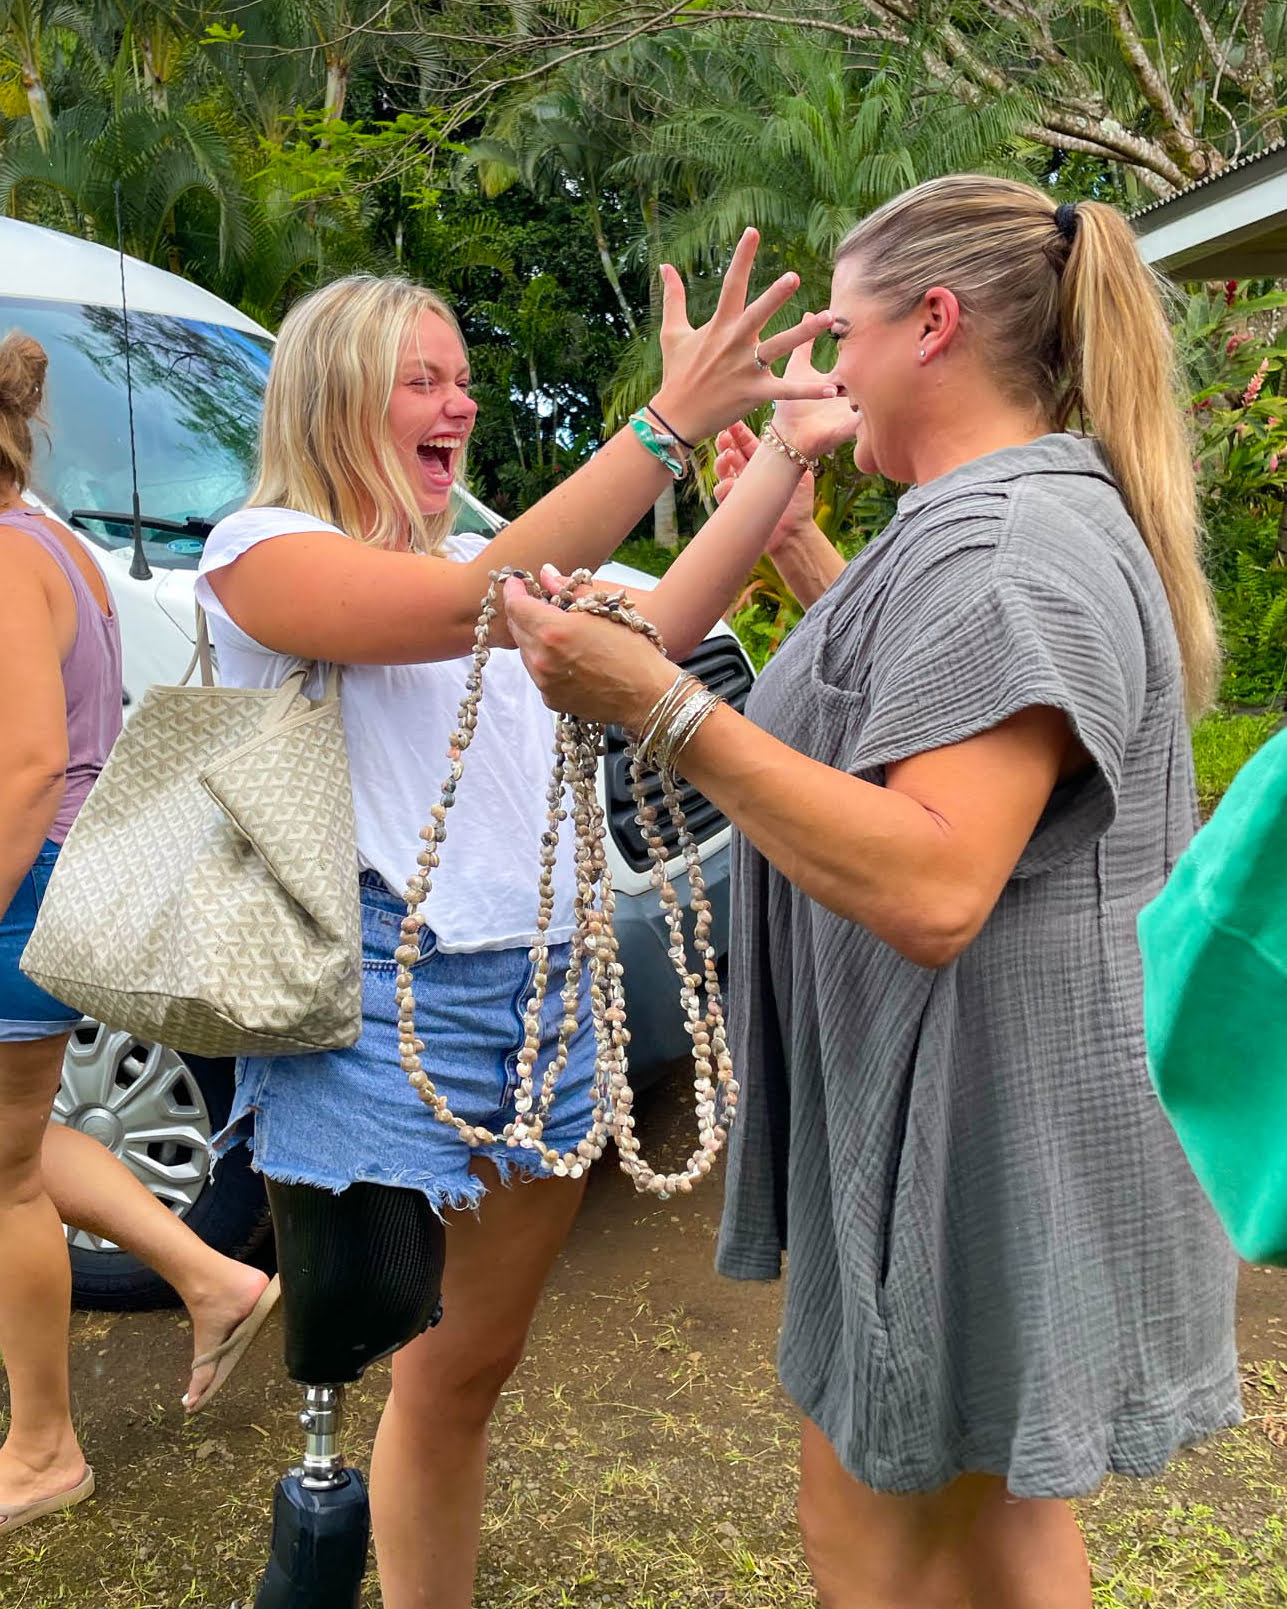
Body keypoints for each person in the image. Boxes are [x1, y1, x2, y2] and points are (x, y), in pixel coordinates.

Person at [503, 174, 1240, 1609]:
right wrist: (800, 557)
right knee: (997, 1513)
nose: (822, 370)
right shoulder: (991, 522)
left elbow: (935, 879)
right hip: (986, 1103)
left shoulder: (1007, 547)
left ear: (934, 325)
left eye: (840, 332)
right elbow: (941, 724)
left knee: (871, 1530)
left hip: (976, 1121)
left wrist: (656, 703)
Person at [193, 234, 835, 1609]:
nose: (459, 404)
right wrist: (666, 426)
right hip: (377, 1002)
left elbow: (656, 620)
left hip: (545, 993)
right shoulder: (261, 554)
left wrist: (780, 456)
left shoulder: (498, 552)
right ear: (333, 398)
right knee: (366, 1348)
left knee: (463, 1374)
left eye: (463, 379)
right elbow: (449, 611)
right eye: (420, 380)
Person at [0, 333, 278, 1539]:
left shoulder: (7, 557)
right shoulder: (53, 537)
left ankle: (44, 1449)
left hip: (22, 875)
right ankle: (213, 1278)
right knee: (16, 1153)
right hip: (65, 865)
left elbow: (21, 765)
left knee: (6, 1177)